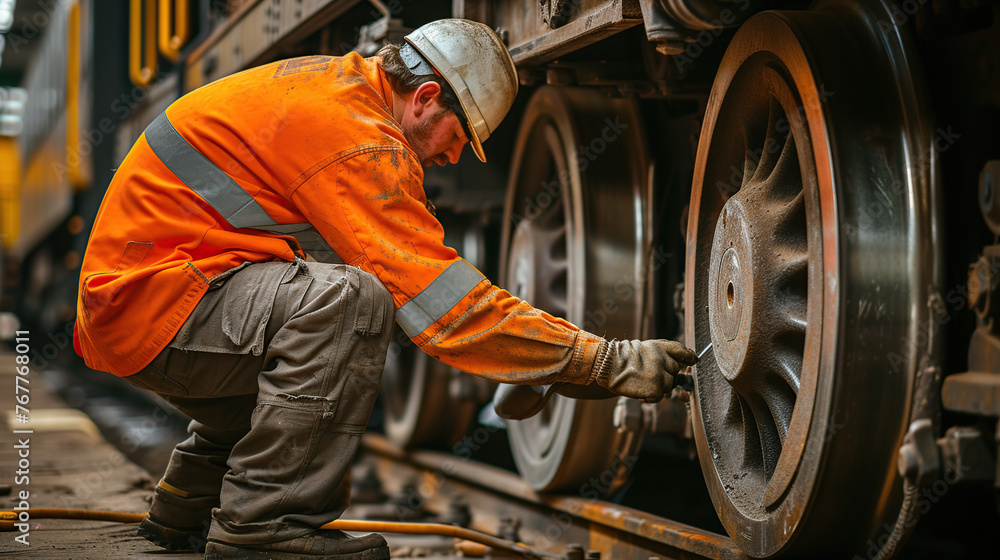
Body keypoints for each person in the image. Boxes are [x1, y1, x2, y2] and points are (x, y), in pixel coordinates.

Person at [74, 19, 696, 560]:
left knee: (314, 313)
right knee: (349, 304)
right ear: (426, 98)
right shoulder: (361, 139)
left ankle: (188, 500)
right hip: (154, 307)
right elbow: (447, 311)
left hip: (147, 300)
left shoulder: (336, 85)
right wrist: (602, 361)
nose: (453, 159)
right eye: (459, 138)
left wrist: (531, 360)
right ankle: (263, 530)